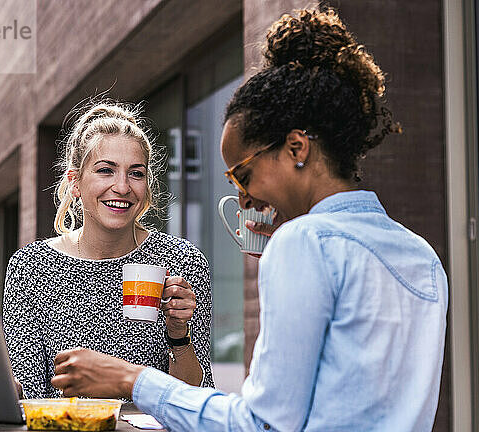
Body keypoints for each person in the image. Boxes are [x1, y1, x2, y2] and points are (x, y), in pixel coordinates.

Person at [49, 9, 448, 432]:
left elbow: (262, 425)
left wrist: (132, 378)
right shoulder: (422, 256)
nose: (242, 196)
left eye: (243, 174)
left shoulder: (303, 244)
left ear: (296, 148)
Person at [2, 101, 214, 399]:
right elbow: (27, 396)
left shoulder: (182, 261)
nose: (123, 187)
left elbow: (194, 398)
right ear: (74, 183)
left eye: (136, 174)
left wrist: (179, 333)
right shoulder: (30, 266)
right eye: (106, 171)